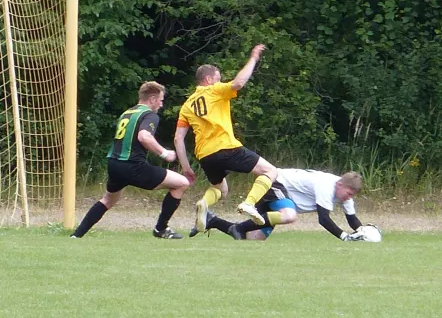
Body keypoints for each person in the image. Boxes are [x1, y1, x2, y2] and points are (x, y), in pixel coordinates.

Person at [174, 44, 278, 234]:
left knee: (221, 190)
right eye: (218, 78)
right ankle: (249, 203)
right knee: (270, 171)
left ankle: (204, 203)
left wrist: (187, 168)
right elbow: (238, 84)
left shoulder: (187, 105)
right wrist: (253, 58)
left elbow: (178, 139)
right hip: (225, 147)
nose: (219, 81)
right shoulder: (213, 91)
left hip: (205, 155)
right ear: (208, 79)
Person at [71, 81, 191, 239]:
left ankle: (77, 236)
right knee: (182, 183)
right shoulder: (150, 115)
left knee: (108, 199)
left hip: (114, 164)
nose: (161, 105)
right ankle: (161, 229)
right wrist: (164, 153)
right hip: (132, 166)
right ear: (153, 99)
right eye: (161, 100)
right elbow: (144, 136)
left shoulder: (127, 113)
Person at [190, 169, 365, 241]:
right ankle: (239, 228)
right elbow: (324, 219)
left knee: (253, 239)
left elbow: (352, 218)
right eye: (348, 194)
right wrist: (345, 237)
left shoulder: (345, 194)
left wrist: (362, 232)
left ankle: (212, 220)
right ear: (340, 185)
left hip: (281, 197)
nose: (348, 198)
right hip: (276, 184)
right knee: (289, 216)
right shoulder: (326, 185)